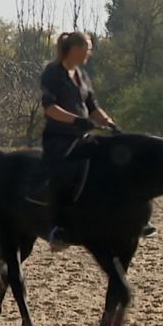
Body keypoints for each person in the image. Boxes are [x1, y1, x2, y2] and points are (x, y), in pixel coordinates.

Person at [34, 31, 129, 249]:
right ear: (75, 49)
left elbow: (94, 108)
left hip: (83, 136)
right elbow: (50, 109)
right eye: (88, 48)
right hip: (59, 139)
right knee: (67, 173)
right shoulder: (52, 73)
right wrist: (76, 120)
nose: (90, 53)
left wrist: (111, 124)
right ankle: (57, 228)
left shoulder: (82, 75)